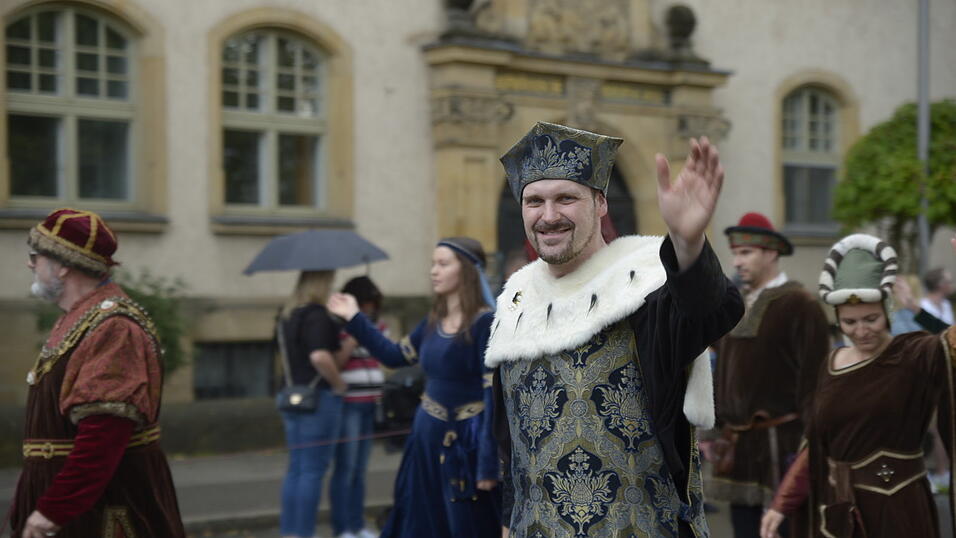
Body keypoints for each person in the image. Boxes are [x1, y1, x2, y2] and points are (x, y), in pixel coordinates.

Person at [486, 122, 744, 537]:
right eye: (534, 201)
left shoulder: (644, 289)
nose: (548, 216)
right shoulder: (516, 304)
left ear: (601, 203)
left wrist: (688, 243)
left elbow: (711, 311)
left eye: (566, 198)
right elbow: (513, 446)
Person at [759, 233, 956, 538]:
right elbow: (816, 445)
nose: (861, 331)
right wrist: (781, 503)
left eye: (871, 319)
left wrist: (922, 314)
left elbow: (951, 343)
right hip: (840, 512)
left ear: (888, 312)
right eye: (850, 322)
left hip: (900, 509)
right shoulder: (831, 362)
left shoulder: (914, 354)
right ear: (838, 319)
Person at [8, 208, 185, 537]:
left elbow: (104, 434)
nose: (29, 264)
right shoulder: (79, 317)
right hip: (73, 503)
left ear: (62, 266)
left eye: (36, 256)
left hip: (106, 508)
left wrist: (53, 510)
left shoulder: (114, 327)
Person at [327, 237, 501, 538]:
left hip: (463, 444)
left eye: (443, 264)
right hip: (424, 437)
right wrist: (355, 318)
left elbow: (493, 395)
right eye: (433, 263)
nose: (434, 271)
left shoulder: (485, 323)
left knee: (464, 522)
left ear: (469, 271)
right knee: (419, 520)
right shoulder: (434, 320)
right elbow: (394, 356)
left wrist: (488, 464)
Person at [710, 212, 830, 537]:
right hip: (741, 450)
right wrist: (716, 430)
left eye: (746, 253)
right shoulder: (734, 305)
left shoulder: (801, 304)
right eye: (735, 253)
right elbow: (724, 372)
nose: (737, 261)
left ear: (772, 252)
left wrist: (811, 450)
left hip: (784, 450)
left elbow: (816, 384)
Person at [277, 270, 349, 538]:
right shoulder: (317, 316)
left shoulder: (287, 315)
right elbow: (320, 356)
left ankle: (290, 532)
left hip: (289, 395)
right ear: (321, 284)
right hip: (317, 400)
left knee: (296, 469)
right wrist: (339, 384)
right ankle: (304, 533)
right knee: (312, 471)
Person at [330, 276, 387, 538]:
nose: (370, 309)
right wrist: (352, 340)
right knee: (347, 468)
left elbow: (385, 355)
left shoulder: (376, 326)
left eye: (373, 304)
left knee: (361, 469)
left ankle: (358, 525)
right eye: (365, 304)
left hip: (370, 404)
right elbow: (337, 363)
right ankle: (343, 527)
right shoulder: (339, 327)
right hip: (349, 405)